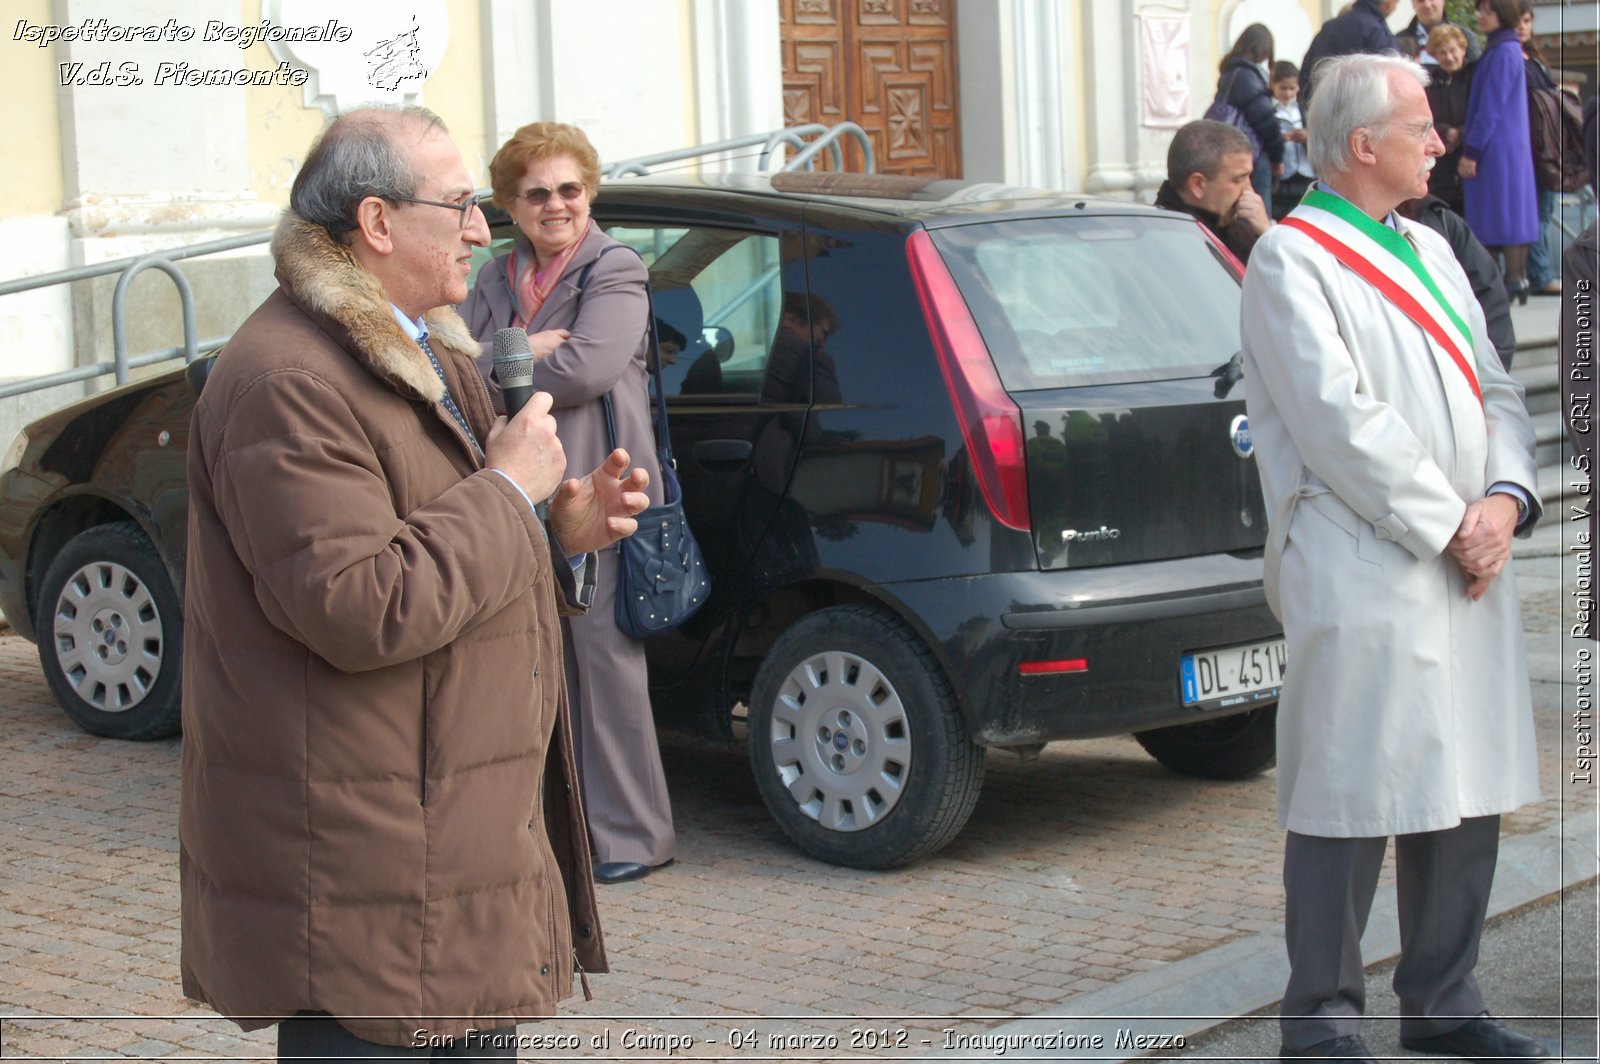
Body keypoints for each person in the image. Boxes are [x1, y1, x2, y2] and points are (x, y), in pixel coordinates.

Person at [181, 106, 651, 1058]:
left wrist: (556, 530)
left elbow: (454, 551)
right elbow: (361, 606)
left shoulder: (425, 350)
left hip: (449, 861)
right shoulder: (289, 381)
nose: (485, 229)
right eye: (463, 204)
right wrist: (507, 491)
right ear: (378, 224)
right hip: (372, 883)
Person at [1242, 53, 1548, 1064]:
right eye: (1420, 124)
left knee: (1460, 778)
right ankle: (1321, 1019)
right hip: (1365, 553)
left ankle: (1443, 997)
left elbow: (1496, 385)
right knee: (1348, 785)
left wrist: (1503, 499)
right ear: (1362, 144)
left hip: (1465, 553)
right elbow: (1338, 421)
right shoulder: (1293, 258)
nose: (1440, 137)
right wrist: (1449, 520)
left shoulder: (1433, 246)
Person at [459, 121, 676, 885]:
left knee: (603, 665)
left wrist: (519, 350)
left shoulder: (614, 268)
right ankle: (562, 833)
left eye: (570, 190)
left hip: (603, 489)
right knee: (533, 664)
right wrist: (527, 347)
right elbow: (453, 363)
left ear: (590, 192)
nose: (557, 206)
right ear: (509, 205)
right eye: (537, 193)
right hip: (518, 492)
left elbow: (588, 367)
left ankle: (632, 838)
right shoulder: (491, 276)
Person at [1461, 0, 1539, 303]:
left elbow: (1490, 107)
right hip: (1508, 145)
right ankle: (1515, 279)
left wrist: (1472, 150)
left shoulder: (1502, 52)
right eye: (1481, 10)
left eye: (1488, 11)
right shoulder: (1505, 49)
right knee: (1511, 212)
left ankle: (1508, 281)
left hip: (1496, 147)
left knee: (1497, 214)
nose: (1481, 16)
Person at [1398, 193, 1516, 368]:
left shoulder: (1440, 221)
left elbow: (1490, 303)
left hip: (1466, 384)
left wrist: (1491, 375)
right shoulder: (1346, 241)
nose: (1429, 163)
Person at [1155, 119, 1272, 264]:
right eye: (1238, 179)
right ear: (1198, 185)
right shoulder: (1165, 242)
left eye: (1249, 177)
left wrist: (1266, 235)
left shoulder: (1238, 225)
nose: (1249, 190)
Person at [1517, 0, 1561, 295]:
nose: (1522, 26)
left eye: (1527, 21)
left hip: (1545, 146)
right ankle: (1540, 274)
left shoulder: (1535, 60)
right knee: (1538, 214)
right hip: (1530, 147)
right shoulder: (1512, 59)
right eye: (1518, 21)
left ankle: (1541, 272)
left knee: (1544, 211)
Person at [1215, 23, 1285, 206]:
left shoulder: (1229, 72)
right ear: (1262, 49)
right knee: (1258, 210)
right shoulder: (1247, 76)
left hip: (1230, 150)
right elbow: (1265, 120)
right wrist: (1277, 156)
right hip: (1253, 152)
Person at [1299, 0, 1399, 105]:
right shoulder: (1378, 32)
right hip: (1366, 109)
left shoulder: (1330, 27)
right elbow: (1392, 76)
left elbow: (1307, 72)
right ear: (1389, 3)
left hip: (1325, 108)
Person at [1423, 23, 1474, 215]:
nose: (1449, 57)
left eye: (1453, 50)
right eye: (1442, 52)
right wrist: (1446, 132)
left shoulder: (1474, 76)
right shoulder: (1431, 81)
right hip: (1442, 160)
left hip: (1468, 156)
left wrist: (1460, 133)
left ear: (1462, 48)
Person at [1271, 61, 1317, 219]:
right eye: (1283, 88)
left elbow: (1318, 135)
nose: (1288, 93)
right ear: (1273, 85)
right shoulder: (1269, 110)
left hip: (1305, 172)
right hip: (1282, 174)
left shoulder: (1303, 109)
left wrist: (1307, 137)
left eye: (1292, 88)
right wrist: (1281, 139)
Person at [1404, 0, 1483, 65]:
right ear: (1413, 4)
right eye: (1421, 1)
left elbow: (1478, 73)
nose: (1427, 5)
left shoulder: (1465, 36)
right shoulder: (1399, 40)